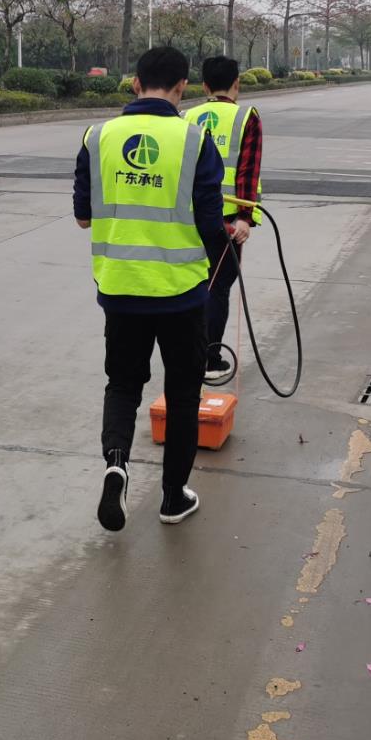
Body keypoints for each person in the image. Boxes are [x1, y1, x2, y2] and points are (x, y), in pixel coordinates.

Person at [73, 46, 228, 531]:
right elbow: (209, 223)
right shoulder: (194, 139)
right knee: (183, 394)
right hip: (180, 293)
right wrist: (228, 268)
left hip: (120, 289)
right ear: (183, 88)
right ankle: (171, 498)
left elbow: (83, 216)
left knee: (123, 384)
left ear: (135, 83)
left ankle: (116, 464)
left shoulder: (97, 137)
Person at [183, 57, 264, 380]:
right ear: (237, 84)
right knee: (218, 289)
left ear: (203, 86)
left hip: (189, 218)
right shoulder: (246, 117)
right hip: (228, 221)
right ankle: (209, 357)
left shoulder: (186, 115)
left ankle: (189, 353)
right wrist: (245, 216)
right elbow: (247, 169)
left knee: (194, 283)